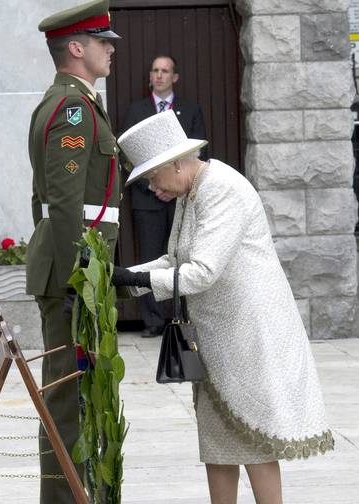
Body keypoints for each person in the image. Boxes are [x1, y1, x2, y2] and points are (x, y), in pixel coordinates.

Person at [113, 110, 334, 504]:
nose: (150, 185)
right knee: (218, 444)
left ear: (177, 163)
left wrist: (135, 281)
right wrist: (119, 280)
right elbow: (174, 261)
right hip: (217, 338)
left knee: (255, 441)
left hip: (249, 336)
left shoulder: (221, 189)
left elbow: (201, 272)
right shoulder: (191, 189)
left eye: (151, 175)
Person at [26, 1, 121, 502]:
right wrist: (73, 280)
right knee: (67, 400)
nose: (111, 49)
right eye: (103, 42)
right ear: (77, 49)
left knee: (75, 396)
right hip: (74, 277)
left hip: (79, 271)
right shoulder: (73, 107)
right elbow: (62, 203)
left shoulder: (74, 102)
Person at [121, 55, 207, 337]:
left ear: (175, 77)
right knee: (151, 255)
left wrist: (174, 189)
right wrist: (156, 186)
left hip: (182, 196)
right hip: (148, 200)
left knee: (185, 254)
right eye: (155, 70)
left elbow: (198, 153)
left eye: (165, 71)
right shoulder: (137, 110)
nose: (159, 75)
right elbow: (129, 159)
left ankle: (181, 318)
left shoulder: (189, 109)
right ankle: (153, 321)